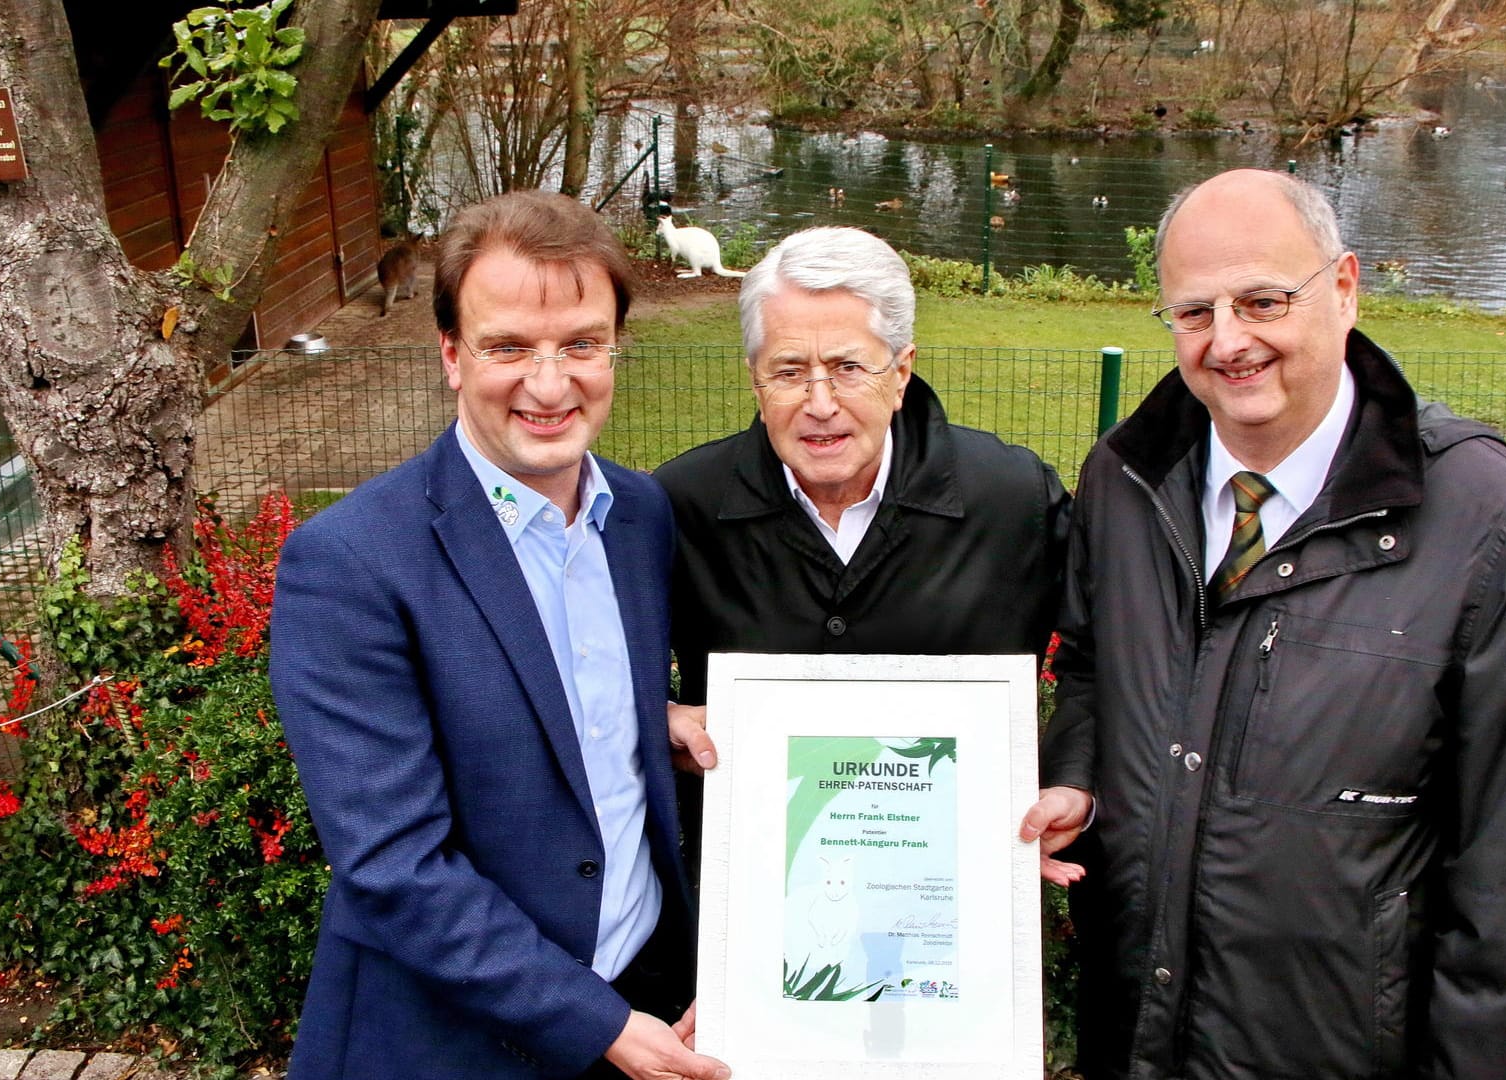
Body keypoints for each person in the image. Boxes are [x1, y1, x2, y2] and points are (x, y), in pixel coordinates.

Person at [1019, 169, 1506, 1079]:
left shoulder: (1497, 525)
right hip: (1135, 1032)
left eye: (1263, 299)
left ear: (1343, 289)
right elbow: (1098, 669)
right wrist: (1076, 781)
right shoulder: (1125, 482)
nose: (1229, 341)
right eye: (1193, 311)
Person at [269, 191, 730, 1080]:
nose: (550, 385)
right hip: (453, 1041)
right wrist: (594, 1022)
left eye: (581, 345)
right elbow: (395, 865)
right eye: (509, 346)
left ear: (613, 350)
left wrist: (643, 722)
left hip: (648, 993)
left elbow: (554, 709)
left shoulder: (638, 516)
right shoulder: (349, 563)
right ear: (450, 354)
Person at [654, 225, 1070, 775]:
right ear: (755, 382)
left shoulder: (1015, 500)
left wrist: (1071, 776)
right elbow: (601, 679)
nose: (820, 403)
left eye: (848, 368)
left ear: (901, 373)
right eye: (789, 371)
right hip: (748, 856)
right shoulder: (680, 506)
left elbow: (1109, 661)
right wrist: (657, 719)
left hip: (955, 857)